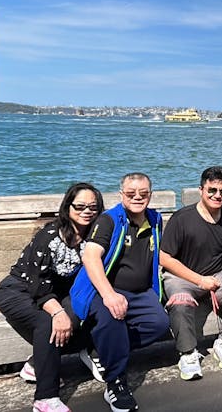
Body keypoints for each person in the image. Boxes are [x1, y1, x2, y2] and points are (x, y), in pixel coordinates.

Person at [0, 182, 103, 412]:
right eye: (80, 206)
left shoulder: (94, 237)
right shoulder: (50, 236)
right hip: (20, 290)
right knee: (49, 324)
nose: (86, 211)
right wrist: (57, 312)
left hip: (57, 292)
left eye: (93, 207)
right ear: (67, 207)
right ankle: (45, 398)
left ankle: (36, 364)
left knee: (79, 316)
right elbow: (37, 284)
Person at [69, 173, 171, 412]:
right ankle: (115, 382)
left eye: (143, 193)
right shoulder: (109, 220)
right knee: (112, 319)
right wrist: (109, 295)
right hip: (104, 289)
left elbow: (161, 256)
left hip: (140, 292)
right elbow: (90, 257)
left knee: (159, 324)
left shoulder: (155, 219)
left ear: (150, 195)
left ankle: (100, 349)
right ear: (121, 195)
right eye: (131, 193)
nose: (137, 198)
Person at [159, 166, 222, 381]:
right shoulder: (182, 218)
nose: (217, 195)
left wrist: (216, 281)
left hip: (216, 275)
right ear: (201, 190)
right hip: (181, 277)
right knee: (180, 300)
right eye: (212, 190)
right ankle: (188, 353)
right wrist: (199, 280)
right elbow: (165, 259)